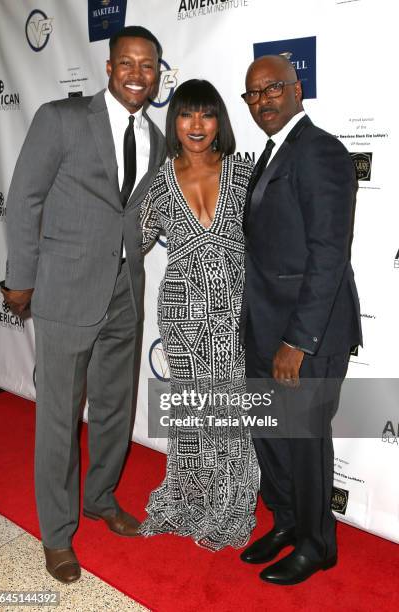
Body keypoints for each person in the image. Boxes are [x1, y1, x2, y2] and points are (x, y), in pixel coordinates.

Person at [0, 26, 166, 583]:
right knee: (58, 417)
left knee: (116, 406)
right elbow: (24, 196)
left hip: (125, 290)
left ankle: (99, 497)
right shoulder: (62, 118)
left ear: (158, 72)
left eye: (148, 65)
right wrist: (19, 279)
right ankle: (56, 533)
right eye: (128, 63)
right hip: (65, 289)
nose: (138, 73)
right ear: (110, 66)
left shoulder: (159, 137)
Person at [239, 55, 362, 584]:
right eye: (253, 94)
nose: (262, 100)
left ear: (297, 90)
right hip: (265, 328)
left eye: (272, 89)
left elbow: (329, 252)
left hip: (307, 336)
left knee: (305, 443)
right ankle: (287, 522)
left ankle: (318, 544)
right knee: (272, 437)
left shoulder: (320, 151)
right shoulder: (272, 154)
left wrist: (299, 340)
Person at [140, 79, 259, 550]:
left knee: (228, 407)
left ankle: (230, 501)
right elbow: (132, 241)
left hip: (233, 313)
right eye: (187, 115)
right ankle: (190, 498)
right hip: (182, 315)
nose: (196, 125)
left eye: (206, 115)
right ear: (175, 121)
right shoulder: (160, 180)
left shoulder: (244, 174)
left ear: (218, 122)